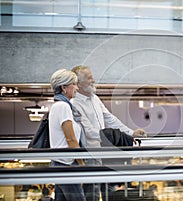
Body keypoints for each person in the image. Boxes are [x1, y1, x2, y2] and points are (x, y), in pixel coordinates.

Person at [71, 65, 146, 201]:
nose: (93, 80)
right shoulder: (75, 103)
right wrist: (111, 135)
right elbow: (88, 131)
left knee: (109, 192)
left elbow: (109, 118)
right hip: (90, 156)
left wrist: (131, 133)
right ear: (79, 83)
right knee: (92, 194)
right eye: (89, 78)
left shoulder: (94, 98)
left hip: (105, 153)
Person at [49, 69, 86, 201]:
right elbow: (71, 139)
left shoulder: (60, 106)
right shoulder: (63, 107)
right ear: (64, 87)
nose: (77, 87)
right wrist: (82, 164)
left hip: (61, 164)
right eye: (74, 84)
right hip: (67, 165)